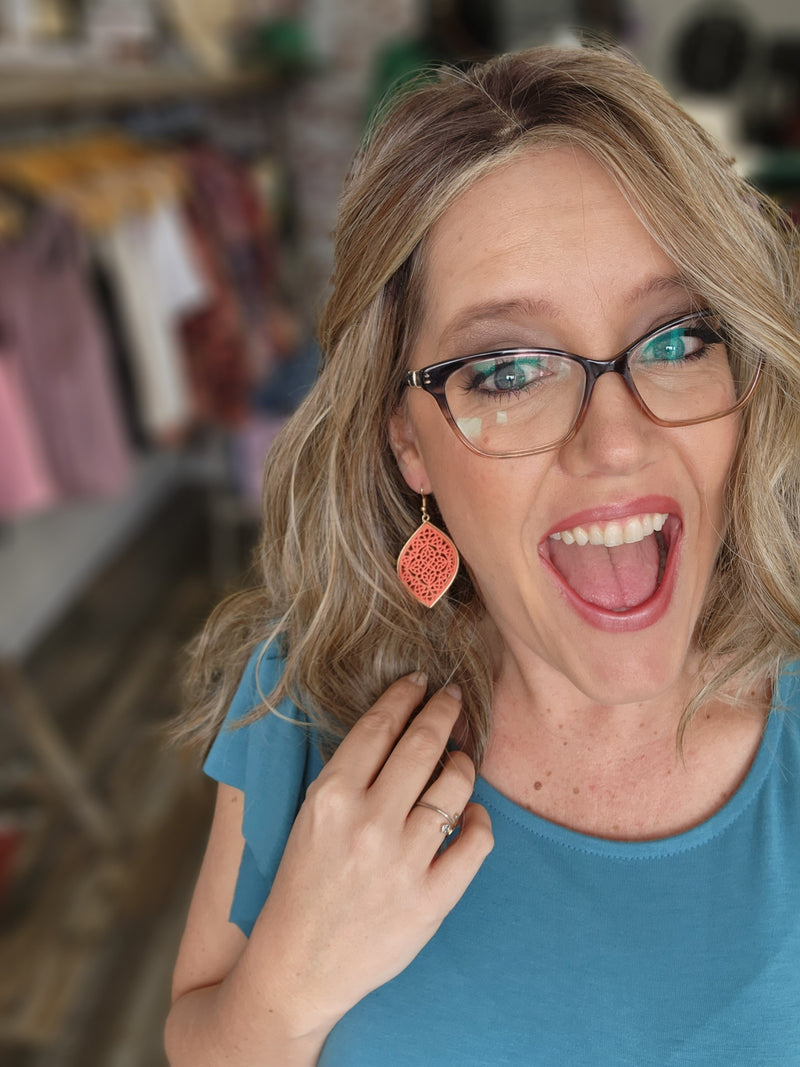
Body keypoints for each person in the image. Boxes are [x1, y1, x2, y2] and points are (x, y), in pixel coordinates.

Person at [165, 44, 800, 1065]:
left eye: (677, 337)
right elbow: (197, 1037)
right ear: (406, 438)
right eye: (507, 368)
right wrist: (288, 983)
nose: (617, 441)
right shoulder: (305, 698)